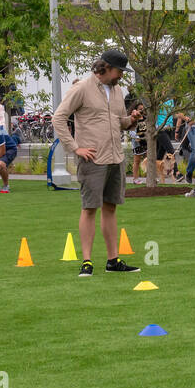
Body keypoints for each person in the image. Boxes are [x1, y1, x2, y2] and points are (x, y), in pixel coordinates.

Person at [52, 49, 143, 277]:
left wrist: (130, 121)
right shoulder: (82, 88)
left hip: (115, 157)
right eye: (119, 71)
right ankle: (87, 262)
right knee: (90, 208)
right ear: (106, 67)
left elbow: (119, 122)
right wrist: (75, 148)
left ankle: (113, 261)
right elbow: (59, 118)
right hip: (92, 158)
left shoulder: (117, 90)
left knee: (110, 208)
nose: (121, 75)